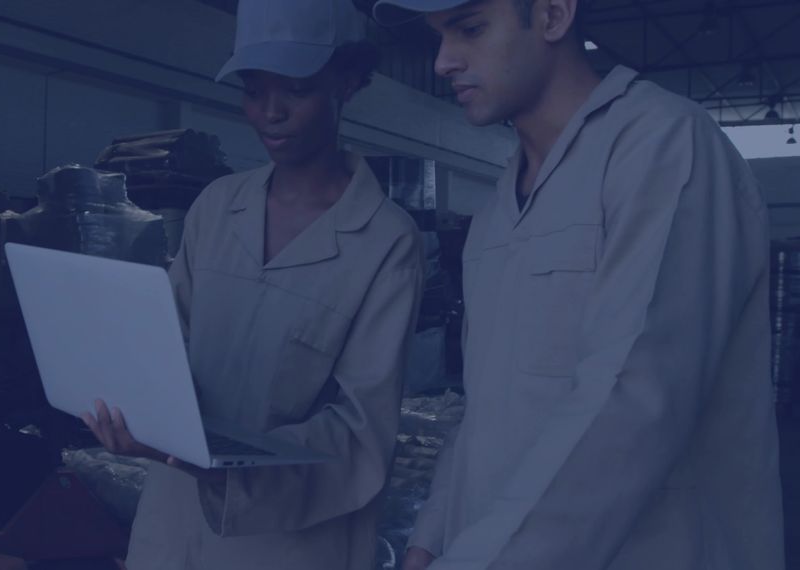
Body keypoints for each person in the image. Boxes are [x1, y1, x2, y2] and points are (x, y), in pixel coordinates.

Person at [368, 0, 786, 569]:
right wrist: (431, 536)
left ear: (553, 15)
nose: (442, 61)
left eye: (469, 29)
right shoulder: (497, 210)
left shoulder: (663, 147)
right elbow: (483, 407)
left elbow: (634, 400)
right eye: (437, 38)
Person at [81, 0, 425, 568]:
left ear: (349, 81)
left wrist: (208, 460)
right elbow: (167, 349)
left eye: (294, 89)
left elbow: (360, 436)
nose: (270, 113)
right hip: (172, 524)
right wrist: (128, 400)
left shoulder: (385, 241)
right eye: (253, 89)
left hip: (290, 543)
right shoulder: (217, 207)